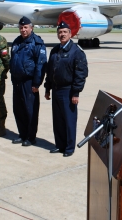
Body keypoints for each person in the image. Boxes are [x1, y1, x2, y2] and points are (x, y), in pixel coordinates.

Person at [44, 21, 88, 157]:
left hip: (68, 91)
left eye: (64, 32)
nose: (62, 34)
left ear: (70, 34)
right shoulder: (55, 50)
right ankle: (60, 145)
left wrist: (76, 92)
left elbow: (81, 73)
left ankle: (69, 148)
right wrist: (47, 88)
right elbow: (50, 71)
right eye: (60, 32)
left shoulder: (76, 52)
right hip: (56, 90)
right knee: (57, 120)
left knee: (69, 120)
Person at [10, 16, 47, 146]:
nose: (23, 30)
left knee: (30, 110)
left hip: (29, 82)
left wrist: (37, 83)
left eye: (25, 27)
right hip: (17, 82)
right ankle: (22, 134)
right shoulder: (16, 42)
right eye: (21, 28)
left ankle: (31, 137)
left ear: (31, 28)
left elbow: (41, 64)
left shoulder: (37, 43)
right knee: (18, 110)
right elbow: (13, 61)